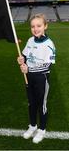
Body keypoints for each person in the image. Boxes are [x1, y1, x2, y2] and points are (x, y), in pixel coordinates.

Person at [17, 13, 56, 144]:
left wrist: (29, 69)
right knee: (31, 103)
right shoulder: (30, 40)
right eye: (33, 26)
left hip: (41, 79)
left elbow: (47, 65)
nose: (35, 28)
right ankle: (33, 125)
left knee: (41, 105)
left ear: (45, 26)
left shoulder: (49, 44)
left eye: (39, 25)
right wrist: (21, 59)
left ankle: (42, 129)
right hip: (29, 78)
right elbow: (25, 56)